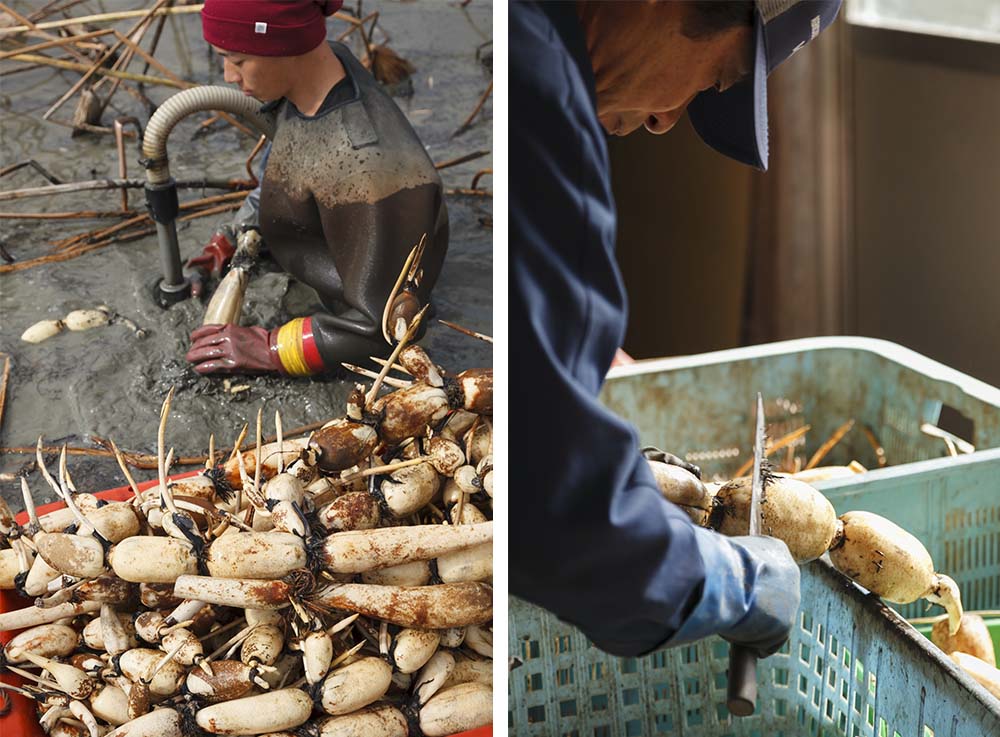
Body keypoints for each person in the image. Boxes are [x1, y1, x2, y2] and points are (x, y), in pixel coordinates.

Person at [510, 0, 841, 658]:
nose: (664, 120)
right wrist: (731, 582)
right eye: (715, 77)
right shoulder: (542, 95)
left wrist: (552, 352)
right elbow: (555, 508)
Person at [185, 0, 447, 376]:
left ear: (283, 46)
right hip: (327, 261)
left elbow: (386, 331)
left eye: (238, 61)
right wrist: (232, 237)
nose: (228, 76)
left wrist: (269, 348)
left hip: (361, 324)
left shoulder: (365, 166)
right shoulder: (319, 73)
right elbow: (291, 165)